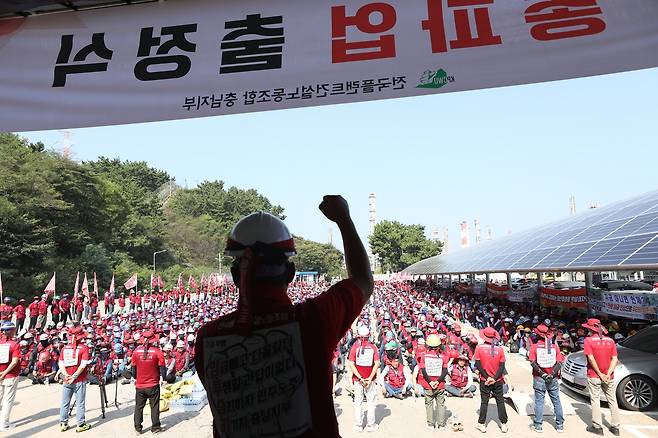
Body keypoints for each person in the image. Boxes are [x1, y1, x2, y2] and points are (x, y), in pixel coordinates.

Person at [194, 195, 373, 438]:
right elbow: (362, 280)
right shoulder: (314, 320)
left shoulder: (208, 338)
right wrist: (344, 219)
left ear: (236, 276)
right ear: (290, 273)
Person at [583, 318, 620, 436]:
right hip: (609, 376)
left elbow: (591, 358)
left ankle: (597, 427)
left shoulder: (588, 340)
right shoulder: (610, 341)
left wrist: (600, 374)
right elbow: (615, 359)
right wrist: (608, 374)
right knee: (612, 400)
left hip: (594, 375)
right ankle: (615, 427)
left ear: (590, 329)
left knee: (595, 399)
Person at [528, 324, 564, 433]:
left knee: (539, 402)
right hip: (552, 378)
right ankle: (559, 425)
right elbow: (559, 363)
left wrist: (543, 374)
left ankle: (538, 425)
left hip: (539, 378)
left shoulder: (534, 347)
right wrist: (552, 374)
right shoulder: (554, 346)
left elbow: (532, 363)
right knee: (556, 400)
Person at [474, 327, 508, 433]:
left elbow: (478, 365)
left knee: (484, 402)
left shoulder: (479, 348)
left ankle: (481, 424)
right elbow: (502, 366)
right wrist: (494, 378)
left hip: (485, 380)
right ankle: (503, 424)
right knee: (500, 401)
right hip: (497, 380)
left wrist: (487, 377)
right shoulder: (500, 349)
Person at [58, 326, 92, 433]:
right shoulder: (84, 348)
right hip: (79, 380)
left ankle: (63, 423)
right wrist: (74, 376)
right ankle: (80, 424)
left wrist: (66, 375)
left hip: (66, 379)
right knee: (80, 402)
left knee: (65, 402)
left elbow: (61, 363)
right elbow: (83, 365)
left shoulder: (64, 348)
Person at [130, 330, 165, 434]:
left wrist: (134, 378)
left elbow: (133, 368)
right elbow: (162, 367)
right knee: (154, 406)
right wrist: (164, 379)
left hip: (140, 385)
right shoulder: (157, 351)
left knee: (138, 407)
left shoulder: (136, 352)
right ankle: (156, 428)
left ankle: (138, 428)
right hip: (153, 384)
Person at [348, 325, 380, 432]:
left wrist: (360, 378)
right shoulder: (373, 347)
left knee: (358, 402)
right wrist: (370, 378)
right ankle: (371, 425)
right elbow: (377, 363)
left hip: (358, 380)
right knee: (371, 402)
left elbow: (351, 364)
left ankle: (358, 425)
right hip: (370, 380)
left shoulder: (354, 347)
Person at [418, 333, 449, 430]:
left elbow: (423, 370)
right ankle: (441, 424)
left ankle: (431, 424)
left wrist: (431, 382)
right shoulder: (444, 356)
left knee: (429, 404)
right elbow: (445, 371)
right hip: (440, 385)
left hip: (428, 385)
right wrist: (438, 381)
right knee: (441, 404)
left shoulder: (423, 356)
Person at [0, 322, 20, 431]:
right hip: (10, 375)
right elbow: (14, 362)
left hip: (1, 375)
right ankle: (4, 423)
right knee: (8, 400)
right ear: (11, 331)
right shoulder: (14, 344)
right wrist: (5, 373)